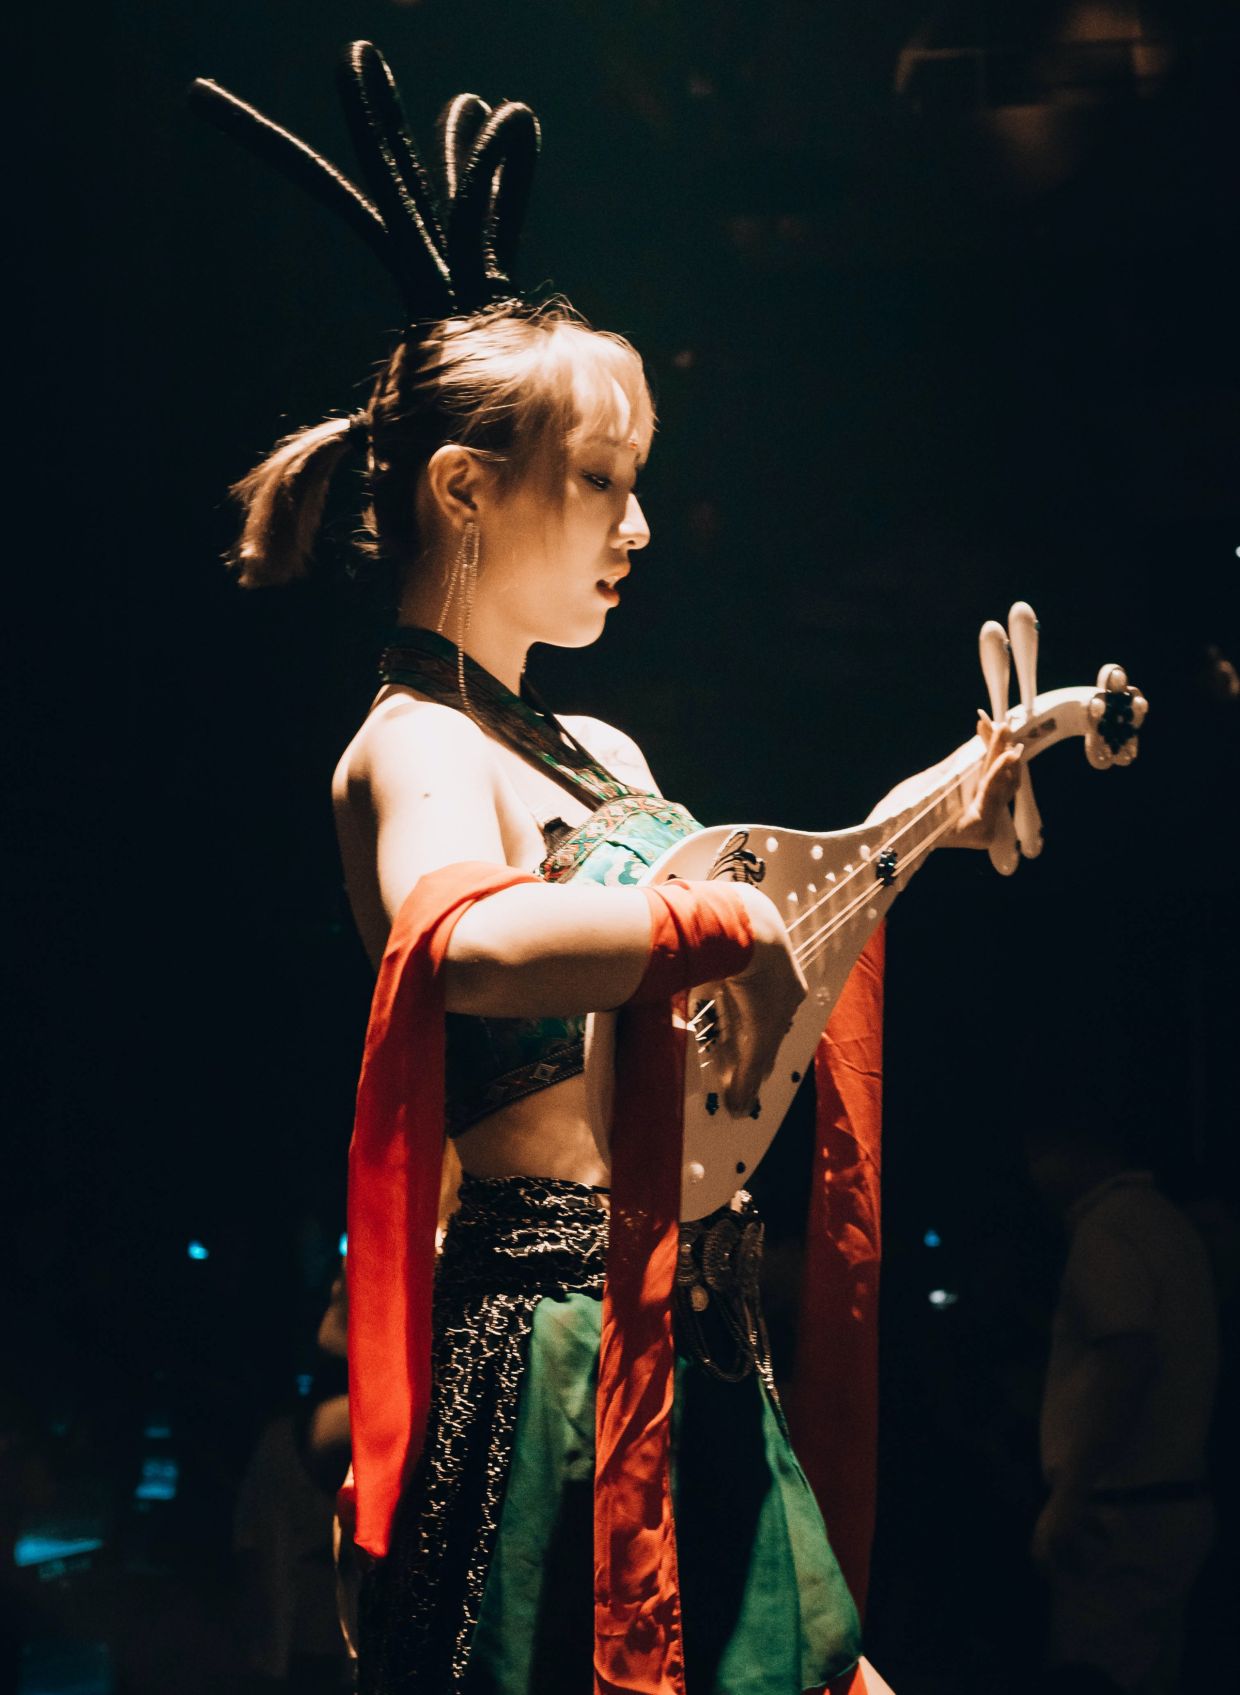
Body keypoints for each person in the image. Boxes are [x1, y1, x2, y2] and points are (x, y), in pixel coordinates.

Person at [195, 43, 1019, 1694]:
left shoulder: (602, 747)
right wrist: (710, 917)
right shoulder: (413, 748)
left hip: (689, 1330)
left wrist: (936, 809)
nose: (638, 529)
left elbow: (759, 938)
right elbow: (464, 945)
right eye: (602, 485)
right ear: (465, 491)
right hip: (552, 1358)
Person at [1028, 1117, 1219, 1694]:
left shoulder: (1109, 1227)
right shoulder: (1164, 1221)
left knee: (1099, 1672)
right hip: (1168, 1499)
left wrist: (1070, 1495)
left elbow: (1126, 1359)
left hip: (1122, 1512)